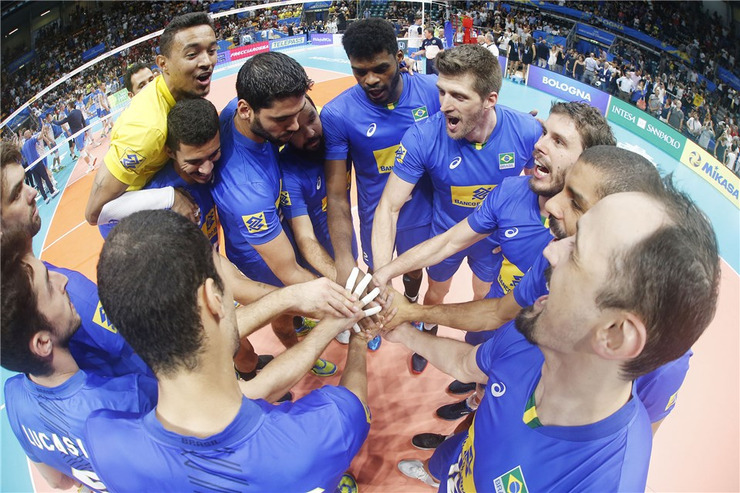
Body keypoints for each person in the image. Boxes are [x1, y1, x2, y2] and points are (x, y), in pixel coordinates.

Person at [388, 183, 720, 490]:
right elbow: (464, 362)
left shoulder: (603, 481)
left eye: (577, 252)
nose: (551, 251)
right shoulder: (534, 336)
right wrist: (403, 331)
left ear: (615, 334)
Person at [87, 210, 378, 492]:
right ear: (212, 298)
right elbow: (352, 401)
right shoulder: (326, 429)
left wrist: (301, 306)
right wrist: (359, 339)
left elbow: (250, 391)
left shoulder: (104, 443)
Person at [372, 44, 541, 372]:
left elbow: (538, 188)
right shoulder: (423, 136)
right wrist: (383, 276)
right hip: (445, 237)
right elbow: (389, 207)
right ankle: (428, 331)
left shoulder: (526, 131)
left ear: (490, 99)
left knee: (483, 296)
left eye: (459, 96)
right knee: (436, 294)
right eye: (442, 92)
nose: (445, 105)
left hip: (492, 243)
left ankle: (474, 350)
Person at [211, 51, 338, 377]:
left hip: (276, 229)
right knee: (284, 311)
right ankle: (298, 355)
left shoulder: (237, 111)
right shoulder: (247, 191)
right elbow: (289, 271)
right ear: (246, 110)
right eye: (282, 120)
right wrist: (346, 301)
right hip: (262, 260)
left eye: (298, 113)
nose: (294, 127)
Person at [1, 229, 158, 492]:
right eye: (49, 286)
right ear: (43, 343)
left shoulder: (14, 400)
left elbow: (58, 481)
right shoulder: (129, 396)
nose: (63, 280)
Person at [321, 18, 440, 317]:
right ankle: (376, 316)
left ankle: (411, 303)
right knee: (376, 273)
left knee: (414, 269)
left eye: (380, 68)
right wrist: (343, 258)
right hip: (374, 216)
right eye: (359, 72)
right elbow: (337, 195)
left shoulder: (432, 92)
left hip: (421, 212)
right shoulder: (338, 114)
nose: (370, 80)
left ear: (399, 58)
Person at [1, 141, 151, 378]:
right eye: (16, 193)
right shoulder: (61, 299)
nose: (32, 193)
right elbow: (133, 354)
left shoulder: (30, 289)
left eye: (25, 182)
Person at [85, 12, 218, 225]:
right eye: (192, 54)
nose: (207, 62)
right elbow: (95, 212)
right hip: (128, 218)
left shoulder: (182, 90)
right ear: (163, 64)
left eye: (211, 51)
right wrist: (169, 198)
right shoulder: (147, 130)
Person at [52, 100, 96, 173]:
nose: (67, 108)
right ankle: (92, 157)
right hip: (82, 131)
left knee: (81, 151)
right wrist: (85, 131)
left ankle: (90, 166)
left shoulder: (70, 115)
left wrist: (52, 120)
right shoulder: (78, 111)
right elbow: (83, 121)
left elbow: (59, 123)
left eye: (67, 106)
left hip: (77, 134)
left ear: (69, 106)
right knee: (83, 148)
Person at [20, 129, 58, 204]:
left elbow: (23, 156)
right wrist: (43, 128)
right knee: (45, 177)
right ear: (27, 135)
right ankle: (52, 191)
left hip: (31, 167)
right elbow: (40, 137)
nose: (31, 133)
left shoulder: (23, 147)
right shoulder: (31, 140)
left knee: (39, 183)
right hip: (37, 162)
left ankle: (45, 198)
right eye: (29, 133)